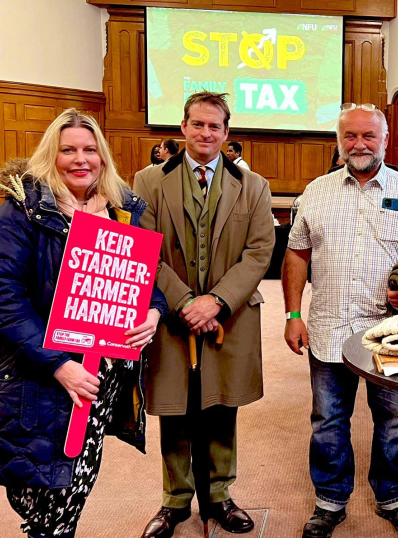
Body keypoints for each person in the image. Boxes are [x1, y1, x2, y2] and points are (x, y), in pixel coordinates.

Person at [283, 102, 398, 538]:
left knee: (394, 420)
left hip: (394, 334)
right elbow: (296, 254)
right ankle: (329, 501)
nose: (359, 144)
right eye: (350, 136)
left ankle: (392, 495)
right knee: (328, 420)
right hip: (328, 327)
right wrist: (293, 313)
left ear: (385, 140)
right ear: (338, 142)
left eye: (368, 136)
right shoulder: (315, 192)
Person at [0, 109, 167, 538]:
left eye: (90, 149)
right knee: (45, 495)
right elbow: (6, 301)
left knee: (75, 485)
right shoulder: (23, 212)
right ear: (49, 155)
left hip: (103, 375)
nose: (80, 159)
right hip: (45, 375)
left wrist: (153, 312)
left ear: (103, 156)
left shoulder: (121, 209)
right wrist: (59, 364)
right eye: (68, 149)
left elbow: (145, 280)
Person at [134, 92, 275, 538]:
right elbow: (144, 248)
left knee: (220, 406)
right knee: (174, 407)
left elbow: (259, 252)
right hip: (170, 316)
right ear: (183, 127)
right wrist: (184, 303)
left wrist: (214, 301)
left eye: (215, 126)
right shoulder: (148, 181)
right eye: (198, 124)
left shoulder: (253, 186)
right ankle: (174, 502)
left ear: (227, 133)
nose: (206, 133)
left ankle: (219, 495)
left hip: (228, 317)